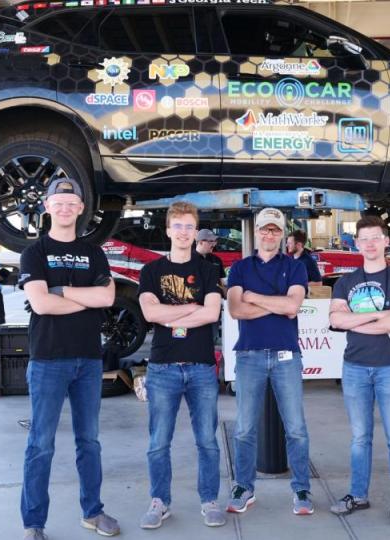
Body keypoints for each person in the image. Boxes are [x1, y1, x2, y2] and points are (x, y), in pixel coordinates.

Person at [18, 180, 119, 539]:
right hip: (47, 360)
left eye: (71, 202)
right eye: (58, 202)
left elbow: (107, 299)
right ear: (47, 207)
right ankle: (34, 523)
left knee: (88, 441)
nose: (64, 208)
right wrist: (84, 299)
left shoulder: (94, 253)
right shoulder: (34, 253)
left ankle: (93, 512)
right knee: (41, 443)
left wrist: (62, 291)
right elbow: (41, 304)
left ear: (81, 209)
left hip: (89, 361)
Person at [137, 202, 225, 530]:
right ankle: (160, 501)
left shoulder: (208, 270)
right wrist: (192, 307)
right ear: (168, 229)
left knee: (207, 440)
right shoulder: (151, 271)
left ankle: (209, 500)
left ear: (195, 230)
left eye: (190, 226)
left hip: (202, 367)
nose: (184, 232)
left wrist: (171, 311)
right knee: (159, 441)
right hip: (163, 368)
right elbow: (150, 314)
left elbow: (212, 314)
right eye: (179, 226)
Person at [328, 215, 390, 526]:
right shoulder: (345, 282)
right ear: (356, 244)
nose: (369, 244)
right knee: (359, 437)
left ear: (385, 241)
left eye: (375, 238)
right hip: (354, 368)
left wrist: (358, 317)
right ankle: (357, 494)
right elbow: (336, 321)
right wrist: (381, 315)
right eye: (363, 239)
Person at [226, 207, 312, 515]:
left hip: (286, 355)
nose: (269, 234)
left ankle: (301, 489)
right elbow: (236, 310)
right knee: (245, 428)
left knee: (296, 428)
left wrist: (255, 297)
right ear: (257, 231)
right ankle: (244, 487)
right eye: (265, 229)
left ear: (282, 233)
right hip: (249, 355)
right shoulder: (239, 268)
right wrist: (277, 303)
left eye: (275, 230)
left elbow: (293, 307)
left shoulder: (296, 267)